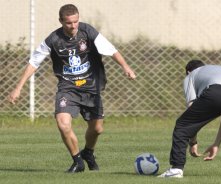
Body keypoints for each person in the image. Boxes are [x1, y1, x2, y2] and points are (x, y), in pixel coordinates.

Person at [8, 4, 136, 173]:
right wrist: (18, 87)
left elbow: (111, 50)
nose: (73, 26)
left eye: (76, 21)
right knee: (63, 124)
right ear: (61, 21)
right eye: (69, 23)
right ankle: (78, 161)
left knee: (97, 129)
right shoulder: (53, 39)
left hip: (91, 88)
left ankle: (88, 153)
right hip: (67, 89)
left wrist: (126, 67)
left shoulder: (87, 32)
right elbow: (34, 62)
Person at [158, 60, 221, 178]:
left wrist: (193, 142)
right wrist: (216, 144)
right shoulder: (215, 69)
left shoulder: (190, 76)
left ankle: (176, 169)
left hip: (217, 91)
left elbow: (192, 116)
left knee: (182, 125)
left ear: (188, 72)